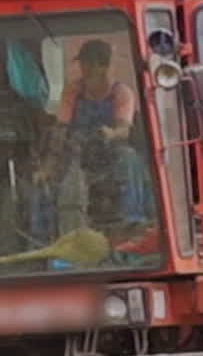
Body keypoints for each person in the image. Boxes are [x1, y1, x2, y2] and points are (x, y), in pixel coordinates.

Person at [30, 38, 152, 248]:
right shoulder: (73, 91)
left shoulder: (121, 93)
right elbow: (61, 129)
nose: (83, 69)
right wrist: (49, 165)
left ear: (102, 66)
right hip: (76, 146)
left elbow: (124, 129)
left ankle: (132, 222)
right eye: (82, 64)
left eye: (88, 64)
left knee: (130, 159)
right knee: (45, 179)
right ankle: (41, 236)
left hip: (109, 150)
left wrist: (111, 133)